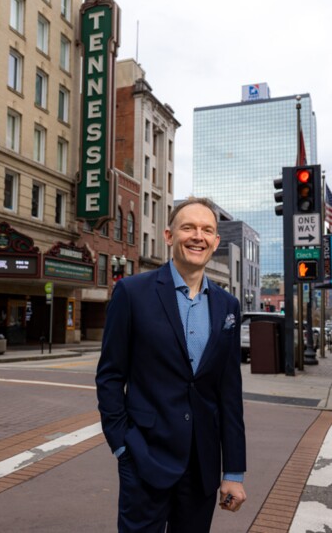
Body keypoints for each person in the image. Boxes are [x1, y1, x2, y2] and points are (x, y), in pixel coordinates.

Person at [96, 197, 247, 532]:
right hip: (145, 456)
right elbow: (110, 375)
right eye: (188, 227)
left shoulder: (228, 306)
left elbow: (229, 393)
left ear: (216, 242)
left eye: (207, 230)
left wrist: (233, 471)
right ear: (168, 236)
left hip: (203, 464)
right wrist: (122, 444)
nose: (198, 236)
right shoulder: (132, 293)